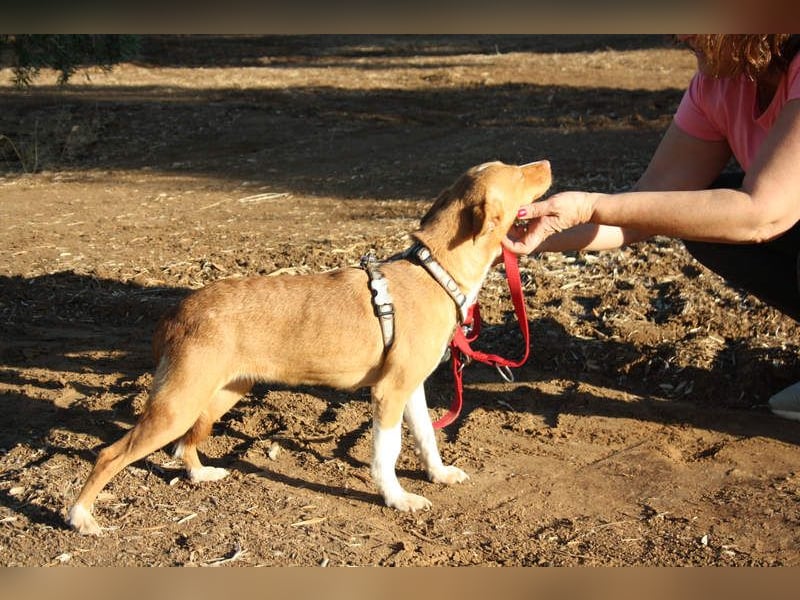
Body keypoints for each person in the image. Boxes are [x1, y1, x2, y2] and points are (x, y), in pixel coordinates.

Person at [504, 34, 800, 421]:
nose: (679, 34)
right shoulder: (720, 84)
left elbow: (763, 213)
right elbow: (648, 201)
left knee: (724, 212)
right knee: (700, 211)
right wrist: (524, 239)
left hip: (770, 215)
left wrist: (594, 205)